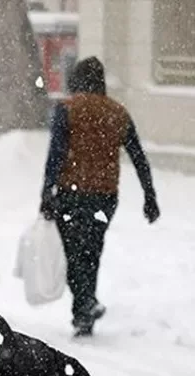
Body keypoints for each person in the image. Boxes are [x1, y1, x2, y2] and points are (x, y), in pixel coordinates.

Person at [40, 56, 160, 337]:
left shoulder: (67, 109)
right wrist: (149, 195)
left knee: (74, 255)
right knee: (91, 252)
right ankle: (85, 312)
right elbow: (138, 156)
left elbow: (56, 154)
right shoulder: (117, 112)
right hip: (105, 197)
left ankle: (85, 305)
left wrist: (47, 191)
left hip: (71, 194)